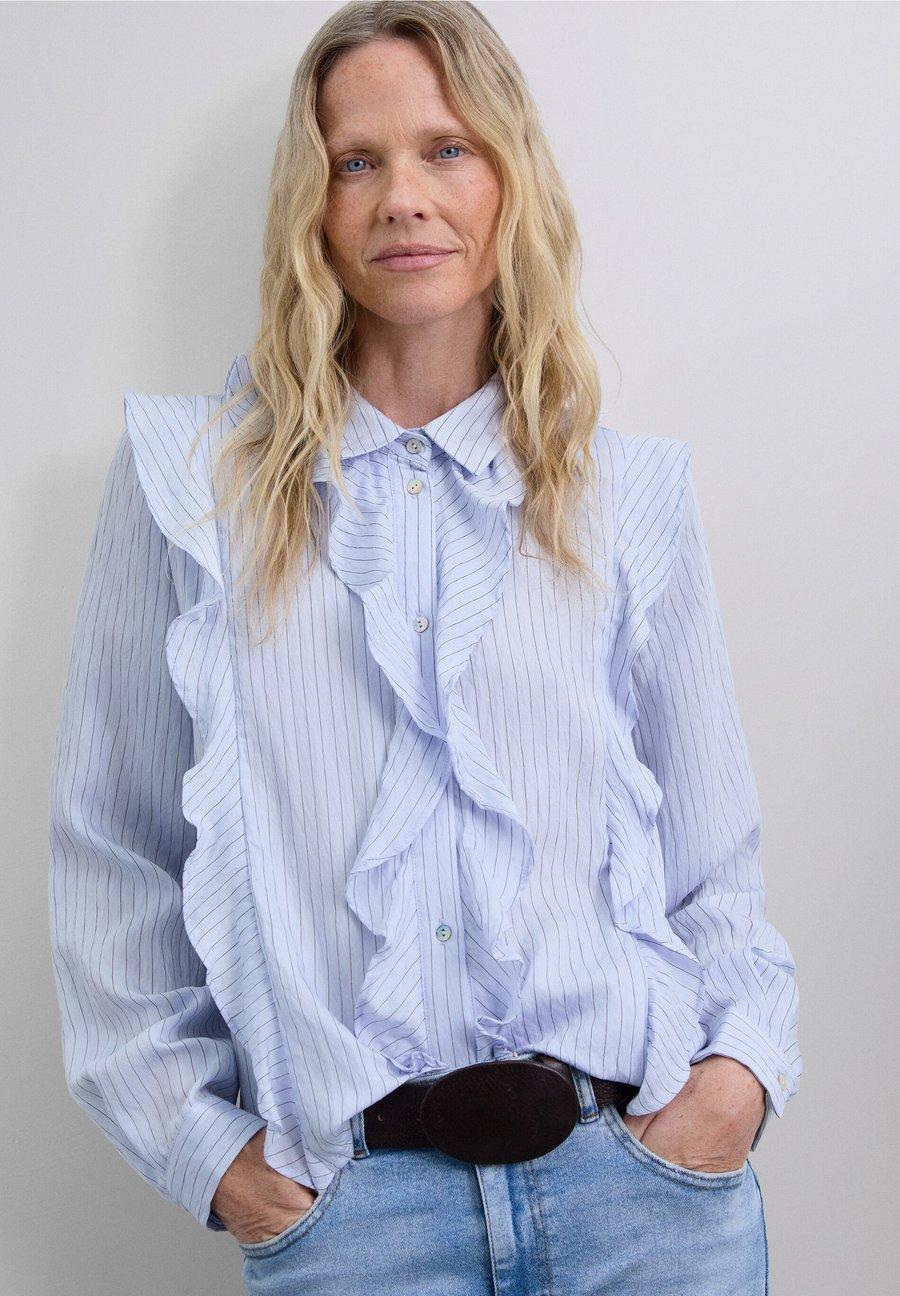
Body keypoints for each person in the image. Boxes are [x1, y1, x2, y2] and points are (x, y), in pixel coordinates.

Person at [47, 2, 801, 1292]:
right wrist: (214, 1158)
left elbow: (712, 858)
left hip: (647, 1198)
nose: (403, 196)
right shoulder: (188, 486)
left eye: (447, 149)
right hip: (357, 1224)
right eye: (358, 160)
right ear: (313, 203)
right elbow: (113, 851)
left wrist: (734, 1084)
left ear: (511, 175)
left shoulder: (629, 494)